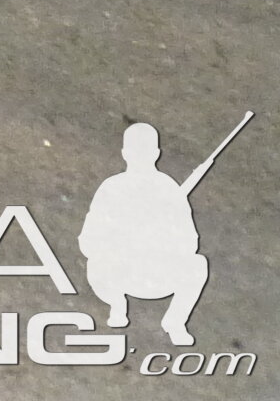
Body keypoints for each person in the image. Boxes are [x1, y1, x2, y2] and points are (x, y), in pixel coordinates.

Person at [80, 122, 210, 346]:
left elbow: (191, 243)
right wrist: (120, 240)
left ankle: (175, 322)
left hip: (158, 274)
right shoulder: (111, 188)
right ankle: (117, 304)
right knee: (95, 264)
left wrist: (160, 237)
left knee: (198, 264)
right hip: (118, 274)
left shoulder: (169, 190)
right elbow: (87, 242)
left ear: (156, 154)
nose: (139, 156)